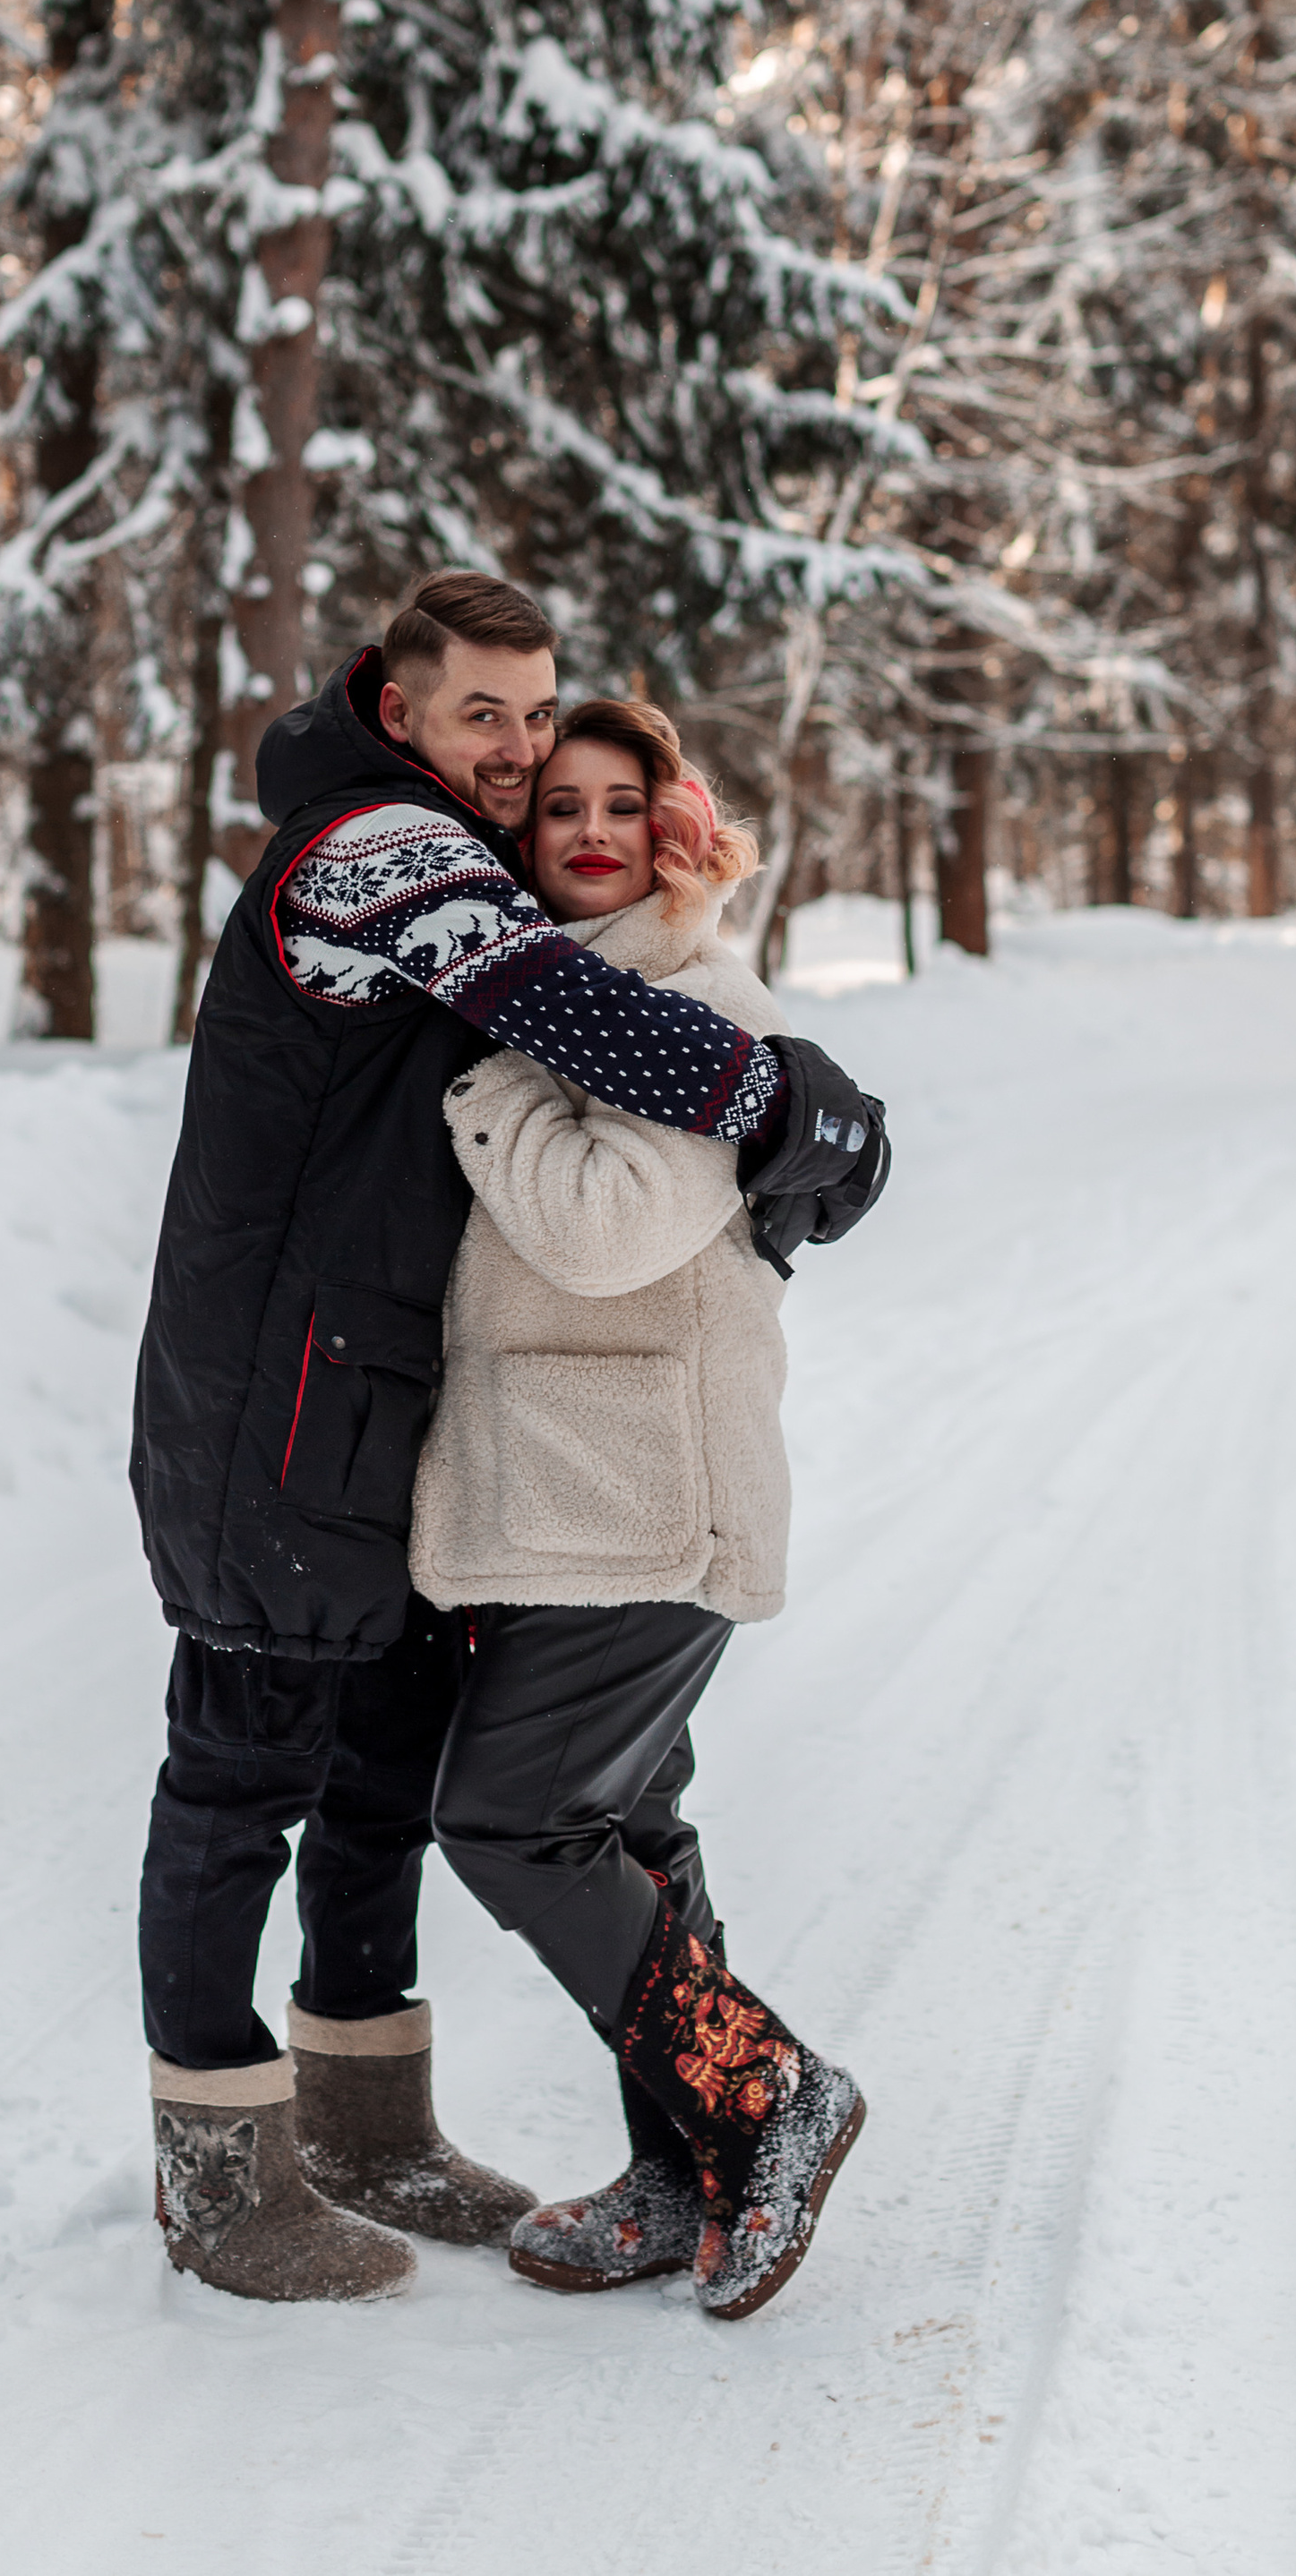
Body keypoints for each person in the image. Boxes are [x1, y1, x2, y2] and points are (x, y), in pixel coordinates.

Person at [130, 572, 886, 2302]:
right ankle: (219, 2176)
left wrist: (797, 1097)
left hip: (381, 1404)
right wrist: (784, 1097)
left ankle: (366, 2119)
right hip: (269, 1399)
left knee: (386, 1772)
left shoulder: (447, 842)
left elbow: (608, 1011)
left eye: (539, 713)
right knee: (242, 1777)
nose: (521, 747)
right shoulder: (377, 848)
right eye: (490, 716)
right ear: (402, 710)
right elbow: (570, 1012)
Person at [414, 699, 878, 2320]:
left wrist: (493, 1093)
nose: (594, 833)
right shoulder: (564, 993)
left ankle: (764, 2093)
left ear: (674, 829)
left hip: (650, 1503)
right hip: (573, 1498)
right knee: (631, 1833)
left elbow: (610, 1228)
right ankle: (682, 2167)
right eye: (560, 811)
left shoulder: (692, 999)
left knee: (512, 1819)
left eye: (625, 805)